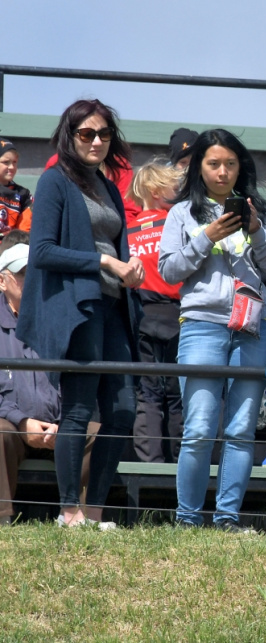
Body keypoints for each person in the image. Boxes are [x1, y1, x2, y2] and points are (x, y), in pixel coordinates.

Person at [17, 99, 144, 528]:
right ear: (69, 136)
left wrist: (129, 268)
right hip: (79, 306)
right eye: (86, 133)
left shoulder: (107, 186)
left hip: (114, 307)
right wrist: (104, 262)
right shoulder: (55, 181)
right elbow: (42, 251)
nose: (96, 141)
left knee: (123, 410)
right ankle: (69, 512)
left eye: (104, 134)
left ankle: (94, 512)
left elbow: (114, 242)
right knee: (78, 407)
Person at [158, 129, 266, 531]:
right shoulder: (182, 213)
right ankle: (188, 519)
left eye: (230, 164)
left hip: (254, 327)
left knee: (241, 430)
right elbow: (168, 270)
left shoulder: (258, 212)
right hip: (202, 326)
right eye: (213, 163)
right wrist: (207, 237)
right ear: (199, 167)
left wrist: (257, 230)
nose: (222, 172)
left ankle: (227, 518)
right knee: (198, 427)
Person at [126, 161, 184, 463]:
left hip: (141, 316)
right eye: (172, 186)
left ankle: (150, 464)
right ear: (155, 190)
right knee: (178, 393)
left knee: (147, 392)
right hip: (177, 315)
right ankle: (180, 462)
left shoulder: (127, 231)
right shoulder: (175, 225)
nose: (178, 191)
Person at [0, 241, 60, 525]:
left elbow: (79, 382)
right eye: (23, 273)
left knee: (95, 435)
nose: (33, 280)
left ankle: (81, 518)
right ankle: (3, 521)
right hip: (12, 425)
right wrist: (22, 421)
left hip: (58, 426)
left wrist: (66, 421)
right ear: (2, 281)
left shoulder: (60, 321)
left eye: (37, 272)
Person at [0, 137, 32, 234]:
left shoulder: (23, 194)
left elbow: (24, 230)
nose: (11, 167)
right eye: (6, 162)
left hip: (12, 242)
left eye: (14, 162)